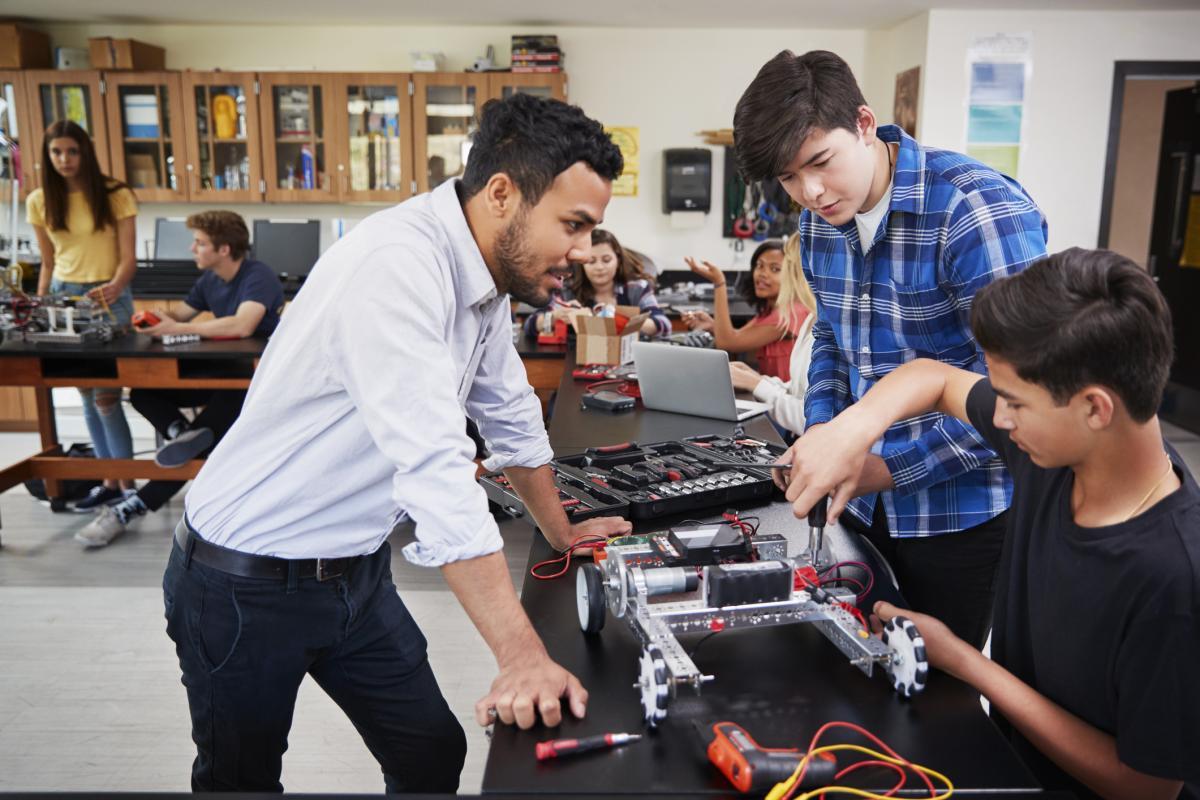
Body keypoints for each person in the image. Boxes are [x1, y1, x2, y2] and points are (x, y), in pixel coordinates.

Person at [162, 94, 632, 793]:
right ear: (503, 193)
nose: (585, 251)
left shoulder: (485, 275)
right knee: (241, 780)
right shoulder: (396, 266)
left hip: (352, 572)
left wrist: (559, 529)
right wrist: (521, 656)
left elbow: (507, 412)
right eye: (574, 224)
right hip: (243, 582)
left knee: (429, 755)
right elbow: (437, 471)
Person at [781, 249, 1199, 800]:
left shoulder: (1175, 577)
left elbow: (1146, 787)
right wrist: (846, 434)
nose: (998, 420)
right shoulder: (1060, 447)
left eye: (1013, 403)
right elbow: (932, 377)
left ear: (1096, 408)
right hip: (1015, 762)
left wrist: (964, 660)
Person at [733, 49, 1049, 648]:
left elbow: (1024, 396)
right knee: (858, 674)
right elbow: (832, 335)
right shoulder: (817, 223)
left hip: (959, 515)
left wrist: (880, 468)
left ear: (864, 123)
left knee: (934, 692)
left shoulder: (974, 211)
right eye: (789, 179)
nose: (812, 193)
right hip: (859, 507)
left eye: (820, 163)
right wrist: (824, 437)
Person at [74, 210, 284, 548]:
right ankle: (183, 435)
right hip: (218, 371)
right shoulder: (210, 280)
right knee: (143, 393)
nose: (192, 249)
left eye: (200, 243)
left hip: (251, 382)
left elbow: (242, 325)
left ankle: (131, 508)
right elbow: (180, 316)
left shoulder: (257, 276)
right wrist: (157, 318)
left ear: (224, 249)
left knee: (203, 444)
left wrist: (178, 327)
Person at [27, 120, 138, 511]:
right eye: (56, 152)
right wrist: (38, 309)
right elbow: (47, 261)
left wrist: (116, 285)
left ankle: (129, 488)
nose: (64, 159)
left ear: (84, 152)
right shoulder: (39, 200)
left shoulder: (115, 194)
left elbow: (128, 258)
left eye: (71, 151)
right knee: (87, 395)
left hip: (109, 296)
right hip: (64, 299)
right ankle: (110, 481)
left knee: (108, 397)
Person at [728, 233, 816, 436]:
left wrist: (756, 384)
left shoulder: (797, 316)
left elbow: (810, 420)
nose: (763, 275)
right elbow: (797, 390)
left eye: (779, 269)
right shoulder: (812, 319)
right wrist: (756, 378)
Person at [682, 239, 804, 380]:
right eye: (759, 266)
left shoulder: (790, 314)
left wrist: (719, 283)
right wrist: (712, 325)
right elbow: (738, 335)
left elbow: (728, 342)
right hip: (774, 395)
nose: (762, 273)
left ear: (794, 276)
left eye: (775, 269)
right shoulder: (770, 311)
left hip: (788, 400)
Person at [523, 228, 670, 338]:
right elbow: (529, 326)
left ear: (618, 260)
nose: (600, 267)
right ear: (582, 264)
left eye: (606, 260)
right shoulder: (567, 290)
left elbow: (663, 325)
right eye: (591, 261)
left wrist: (619, 320)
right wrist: (556, 316)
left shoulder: (637, 288)